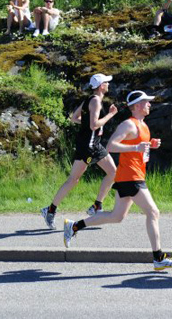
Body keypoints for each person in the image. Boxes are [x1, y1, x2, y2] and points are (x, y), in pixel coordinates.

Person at [63, 90, 172, 271]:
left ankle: (74, 226)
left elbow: (137, 148)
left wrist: (150, 145)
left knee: (116, 216)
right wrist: (136, 147)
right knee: (153, 212)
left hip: (133, 175)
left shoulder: (143, 125)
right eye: (146, 102)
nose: (149, 104)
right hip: (130, 176)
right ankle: (159, 257)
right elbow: (111, 146)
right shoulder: (128, 124)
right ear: (137, 106)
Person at [41, 73, 118, 230]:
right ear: (101, 86)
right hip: (89, 146)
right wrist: (110, 115)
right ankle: (51, 210)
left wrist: (87, 124)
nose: (108, 84)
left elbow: (74, 117)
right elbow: (94, 125)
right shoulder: (95, 101)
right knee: (76, 179)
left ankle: (95, 206)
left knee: (110, 173)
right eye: (106, 82)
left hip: (91, 144)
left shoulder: (89, 99)